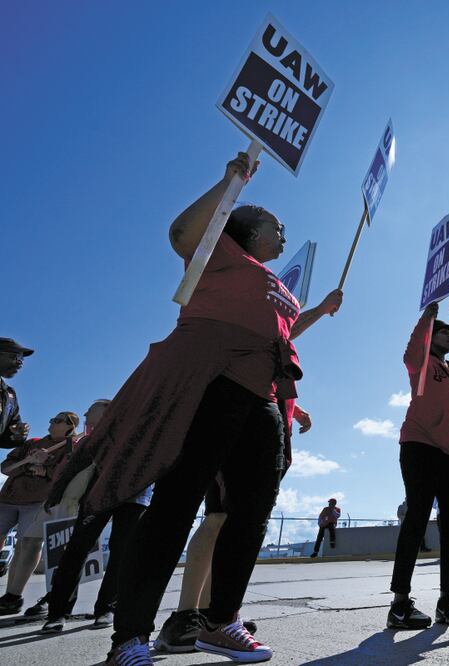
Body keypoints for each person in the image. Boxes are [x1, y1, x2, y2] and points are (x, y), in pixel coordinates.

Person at [85, 152, 343, 665]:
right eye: (275, 224)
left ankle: (221, 621)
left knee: (251, 511)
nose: (283, 231)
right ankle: (129, 637)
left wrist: (320, 311)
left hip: (264, 396)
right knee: (176, 503)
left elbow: (281, 334)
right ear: (243, 228)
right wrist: (233, 181)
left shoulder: (278, 286)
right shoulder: (219, 254)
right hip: (211, 383)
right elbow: (182, 233)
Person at [153, 403, 312, 653]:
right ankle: (184, 616)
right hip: (241, 420)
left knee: (233, 521)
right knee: (218, 516)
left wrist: (297, 412)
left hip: (273, 431)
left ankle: (208, 613)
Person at [34, 400, 150, 631]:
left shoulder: (139, 431)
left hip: (134, 498)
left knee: (122, 552)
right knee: (76, 550)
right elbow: (73, 469)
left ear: (109, 411)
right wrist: (55, 495)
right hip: (97, 498)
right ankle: (58, 613)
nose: (86, 414)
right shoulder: (91, 441)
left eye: (91, 410)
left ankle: (106, 608)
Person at [387, 303, 449, 630]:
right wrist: (427, 317)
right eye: (442, 332)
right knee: (417, 517)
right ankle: (400, 603)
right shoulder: (421, 363)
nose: (447, 337)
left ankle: (446, 600)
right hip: (420, 444)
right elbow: (410, 350)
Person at [0, 411, 77, 615]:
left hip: (37, 502)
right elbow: (6, 466)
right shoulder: (32, 442)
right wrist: (28, 464)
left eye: (59, 421)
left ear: (71, 427)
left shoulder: (71, 447)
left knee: (27, 545)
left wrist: (46, 469)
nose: (52, 422)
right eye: (52, 419)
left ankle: (13, 596)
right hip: (8, 498)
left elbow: (67, 474)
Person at [0, 338, 33, 450]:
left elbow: (5, 438)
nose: (20, 362)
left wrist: (17, 436)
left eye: (22, 358)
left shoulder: (10, 394)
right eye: (16, 357)